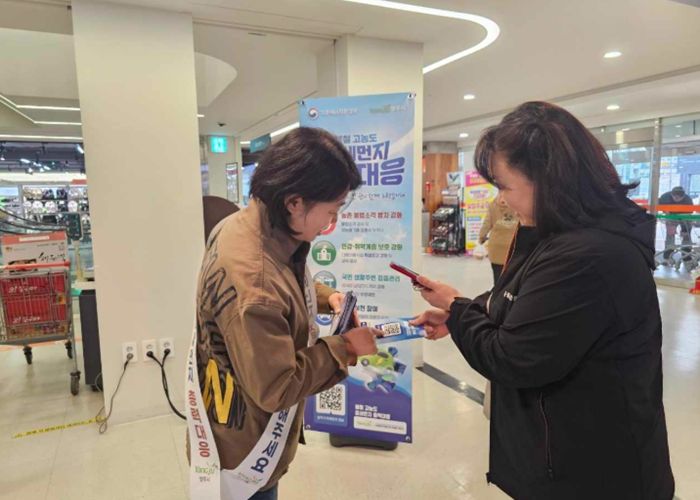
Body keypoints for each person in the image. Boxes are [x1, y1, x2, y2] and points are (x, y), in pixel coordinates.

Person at [411, 102, 675, 499]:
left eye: (505, 186)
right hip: (566, 456)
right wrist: (463, 310)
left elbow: (511, 358)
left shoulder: (589, 256)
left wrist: (460, 311)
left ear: (550, 179)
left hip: (595, 475)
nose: (501, 201)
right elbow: (522, 302)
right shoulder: (556, 235)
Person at [194, 127, 381, 500]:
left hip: (223, 417)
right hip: (247, 452)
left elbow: (282, 281)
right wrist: (344, 348)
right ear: (295, 202)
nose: (332, 223)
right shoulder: (257, 285)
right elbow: (277, 386)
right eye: (331, 211)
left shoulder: (244, 225)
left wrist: (328, 297)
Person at [478, 193, 518, 284]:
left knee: (498, 276)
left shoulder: (493, 205)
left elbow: (486, 224)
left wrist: (481, 238)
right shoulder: (517, 204)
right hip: (514, 246)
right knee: (513, 277)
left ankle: (498, 291)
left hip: (496, 247)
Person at [658, 186, 694, 262]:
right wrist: (665, 211)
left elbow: (688, 215)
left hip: (684, 216)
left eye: (679, 197)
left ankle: (686, 255)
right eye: (674, 196)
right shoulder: (665, 197)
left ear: (683, 196)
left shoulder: (688, 200)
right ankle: (668, 254)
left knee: (686, 235)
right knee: (670, 234)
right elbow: (659, 205)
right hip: (671, 215)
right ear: (671, 194)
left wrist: (684, 230)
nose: (676, 198)